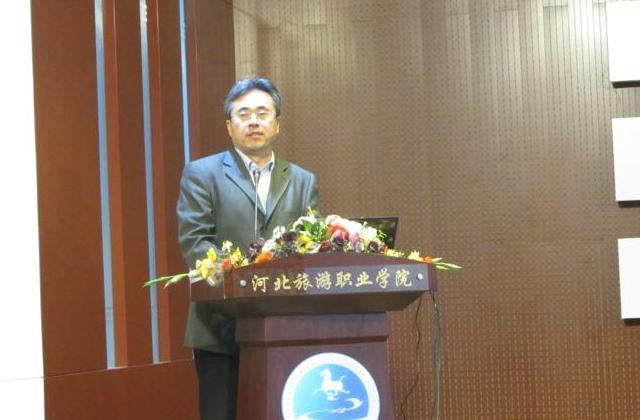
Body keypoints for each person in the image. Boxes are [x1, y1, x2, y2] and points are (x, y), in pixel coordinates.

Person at [176, 77, 320, 420]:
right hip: (220, 328)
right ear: (229, 125)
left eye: (262, 113)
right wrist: (237, 278)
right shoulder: (202, 173)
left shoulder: (303, 180)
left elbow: (312, 244)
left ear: (277, 123)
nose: (253, 121)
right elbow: (195, 240)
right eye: (243, 114)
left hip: (286, 326)